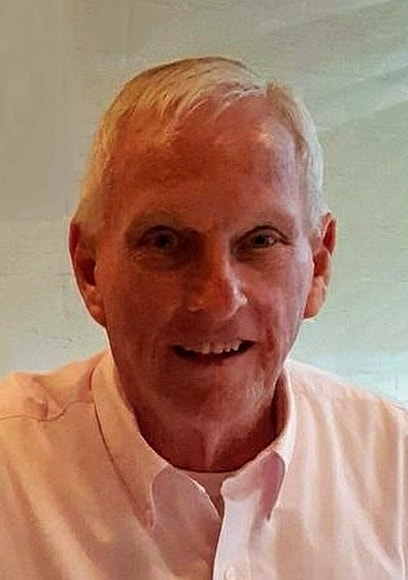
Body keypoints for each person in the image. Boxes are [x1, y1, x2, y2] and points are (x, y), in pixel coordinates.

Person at [0, 56, 406, 579]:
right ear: (90, 270)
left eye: (260, 241)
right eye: (164, 242)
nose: (217, 300)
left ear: (319, 265)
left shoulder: (396, 472)